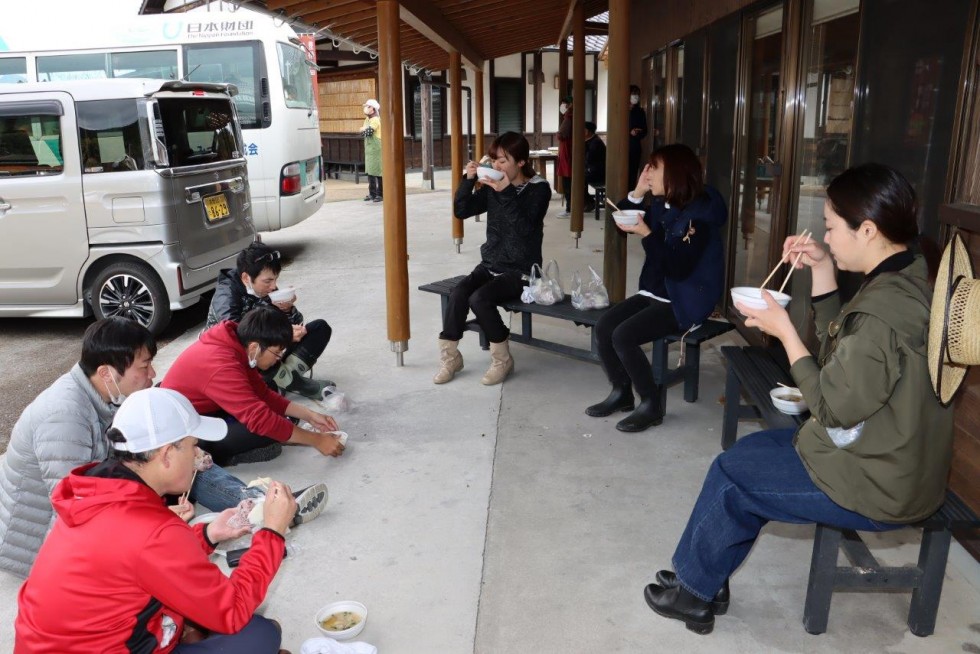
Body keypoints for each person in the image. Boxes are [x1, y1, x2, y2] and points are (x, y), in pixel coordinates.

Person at [643, 163, 953, 635]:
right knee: (744, 456)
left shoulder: (884, 312)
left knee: (733, 474)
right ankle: (705, 578)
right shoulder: (909, 273)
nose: (824, 237)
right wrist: (824, 270)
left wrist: (786, 333)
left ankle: (694, 593)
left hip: (878, 483)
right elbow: (843, 361)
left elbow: (831, 407)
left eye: (831, 228)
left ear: (867, 229)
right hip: (894, 457)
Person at [0, 318, 326, 579]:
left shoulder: (104, 393)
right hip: (43, 546)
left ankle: (255, 504)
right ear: (106, 373)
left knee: (183, 458)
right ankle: (259, 508)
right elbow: (72, 511)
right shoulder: (63, 417)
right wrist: (151, 516)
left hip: (100, 498)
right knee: (174, 468)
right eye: (144, 366)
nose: (153, 374)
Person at [15, 387, 296, 653]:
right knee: (260, 633)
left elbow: (138, 562)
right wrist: (272, 532)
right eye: (194, 447)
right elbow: (230, 611)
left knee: (201, 620)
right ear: (166, 455)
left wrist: (209, 534)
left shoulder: (94, 493)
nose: (200, 456)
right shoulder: (150, 528)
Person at [586, 144, 727, 432]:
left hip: (684, 298)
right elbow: (622, 223)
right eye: (647, 167)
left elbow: (678, 269)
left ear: (675, 174)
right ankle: (621, 391)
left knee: (624, 336)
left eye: (654, 168)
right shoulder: (663, 205)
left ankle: (651, 403)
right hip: (655, 292)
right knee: (603, 327)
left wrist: (648, 234)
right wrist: (637, 193)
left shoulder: (700, 218)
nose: (648, 174)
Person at [435, 131, 551, 386]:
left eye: (502, 161)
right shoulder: (493, 185)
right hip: (491, 264)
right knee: (458, 294)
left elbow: (525, 229)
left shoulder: (539, 189)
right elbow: (462, 210)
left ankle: (502, 360)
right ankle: (451, 357)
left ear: (521, 162)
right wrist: (469, 179)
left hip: (521, 271)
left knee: (480, 299)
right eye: (493, 160)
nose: (496, 166)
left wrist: (506, 190)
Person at [164, 307, 345, 466]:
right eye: (277, 352)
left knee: (277, 418)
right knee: (266, 429)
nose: (279, 358)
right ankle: (221, 458)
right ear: (255, 348)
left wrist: (310, 415)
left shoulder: (237, 345)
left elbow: (262, 394)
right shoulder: (221, 365)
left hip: (203, 411)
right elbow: (259, 419)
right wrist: (316, 440)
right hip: (179, 433)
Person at [207, 242, 334, 399]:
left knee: (319, 328)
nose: (274, 287)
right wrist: (283, 335)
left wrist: (287, 310)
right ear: (246, 277)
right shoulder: (226, 296)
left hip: (268, 351)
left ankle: (284, 378)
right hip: (241, 357)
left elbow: (294, 322)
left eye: (275, 280)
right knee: (261, 352)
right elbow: (239, 340)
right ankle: (293, 383)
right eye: (268, 281)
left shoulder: (264, 287)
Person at [361, 98, 382, 202]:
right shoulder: (367, 119)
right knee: (370, 172)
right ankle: (372, 193)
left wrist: (363, 129)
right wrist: (363, 130)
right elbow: (363, 131)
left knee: (378, 172)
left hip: (377, 149)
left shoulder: (375, 120)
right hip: (369, 150)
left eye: (368, 106)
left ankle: (380, 194)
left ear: (373, 109)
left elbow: (366, 132)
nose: (366, 108)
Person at [556, 95, 573, 218]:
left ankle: (569, 209)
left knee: (568, 183)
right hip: (568, 153)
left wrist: (558, 133)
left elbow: (561, 135)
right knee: (568, 182)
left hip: (568, 154)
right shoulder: (569, 117)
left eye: (564, 104)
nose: (562, 106)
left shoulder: (569, 118)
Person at [628, 84, 648, 189]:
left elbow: (645, 130)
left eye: (637, 95)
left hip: (635, 148)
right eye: (633, 94)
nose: (636, 97)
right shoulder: (621, 110)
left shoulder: (640, 112)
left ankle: (630, 197)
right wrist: (628, 132)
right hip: (622, 148)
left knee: (632, 175)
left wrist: (637, 132)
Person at [583, 120, 606, 212]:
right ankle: (587, 201)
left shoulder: (595, 142)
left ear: (587, 131)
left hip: (598, 173)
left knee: (578, 179)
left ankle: (590, 202)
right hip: (593, 170)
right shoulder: (591, 140)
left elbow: (589, 159)